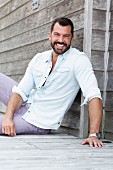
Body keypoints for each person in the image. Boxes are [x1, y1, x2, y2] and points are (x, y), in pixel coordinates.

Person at [0, 17, 103, 147]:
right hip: (26, 104)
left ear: (72, 38)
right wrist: (8, 117)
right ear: (50, 36)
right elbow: (20, 91)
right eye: (57, 34)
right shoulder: (39, 58)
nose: (61, 40)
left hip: (37, 122)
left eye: (66, 36)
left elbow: (94, 95)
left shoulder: (78, 60)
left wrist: (93, 134)